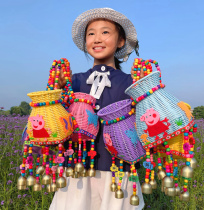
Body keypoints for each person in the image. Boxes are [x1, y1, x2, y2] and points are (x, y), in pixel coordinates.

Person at [49, 8, 145, 210]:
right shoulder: (72, 82)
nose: (97, 38)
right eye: (91, 33)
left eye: (105, 32)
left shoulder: (131, 82)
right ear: (85, 42)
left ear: (120, 42)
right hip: (76, 170)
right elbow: (56, 121)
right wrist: (55, 91)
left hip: (119, 170)